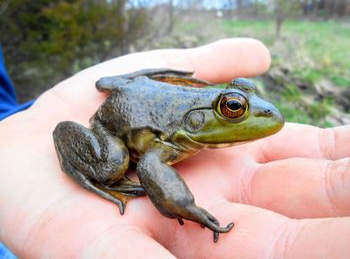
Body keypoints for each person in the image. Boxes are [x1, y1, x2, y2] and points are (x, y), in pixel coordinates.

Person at [0, 38, 349, 258]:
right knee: (113, 165)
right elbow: (151, 167)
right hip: (112, 126)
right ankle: (97, 179)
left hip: (141, 94)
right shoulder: (167, 144)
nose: (255, 113)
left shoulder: (192, 120)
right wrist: (189, 208)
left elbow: (108, 85)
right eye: (233, 109)